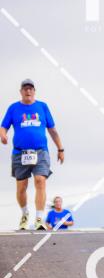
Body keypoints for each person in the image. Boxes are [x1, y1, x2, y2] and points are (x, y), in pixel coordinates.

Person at [0, 80, 64, 231]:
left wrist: (60, 149)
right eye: (25, 89)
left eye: (30, 89)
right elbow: (3, 126)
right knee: (21, 187)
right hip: (20, 153)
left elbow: (52, 130)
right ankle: (24, 214)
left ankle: (39, 219)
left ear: (34, 91)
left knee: (40, 181)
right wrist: (3, 135)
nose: (28, 91)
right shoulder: (14, 108)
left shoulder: (42, 107)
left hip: (40, 152)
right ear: (21, 92)